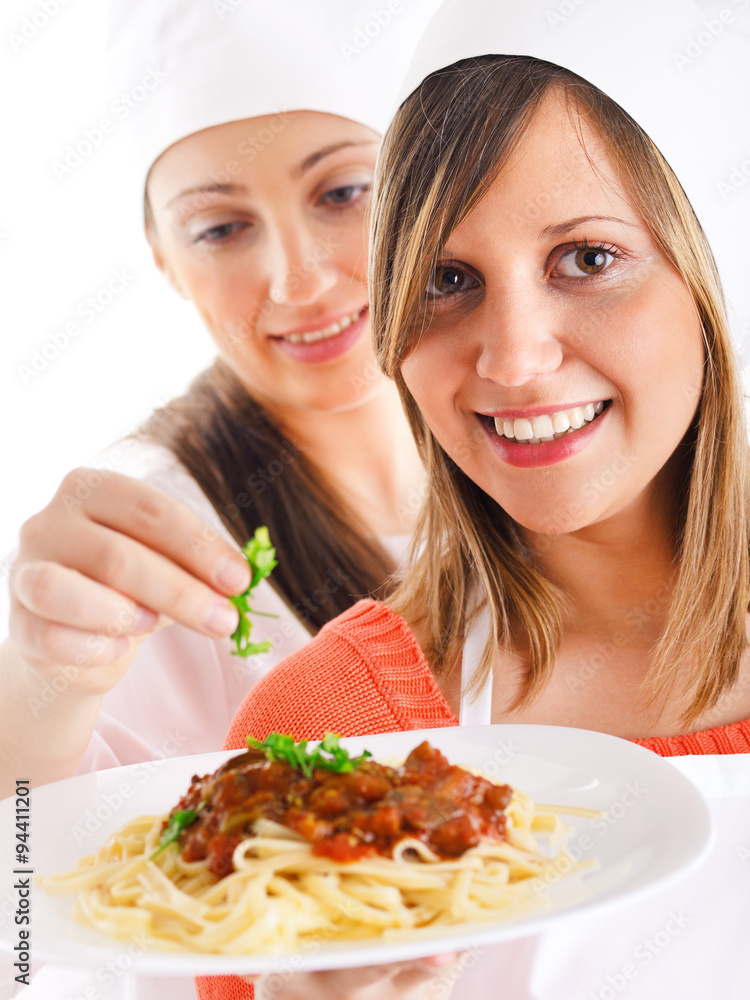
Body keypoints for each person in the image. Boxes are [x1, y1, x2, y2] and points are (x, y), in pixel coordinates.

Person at [199, 0, 750, 997]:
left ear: (720, 278)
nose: (513, 357)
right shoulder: (325, 738)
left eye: (588, 259)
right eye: (448, 278)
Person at [0, 0, 442, 805]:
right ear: (164, 260)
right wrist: (41, 688)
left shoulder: (537, 433)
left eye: (343, 191)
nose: (298, 280)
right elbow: (40, 875)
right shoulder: (146, 539)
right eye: (219, 229)